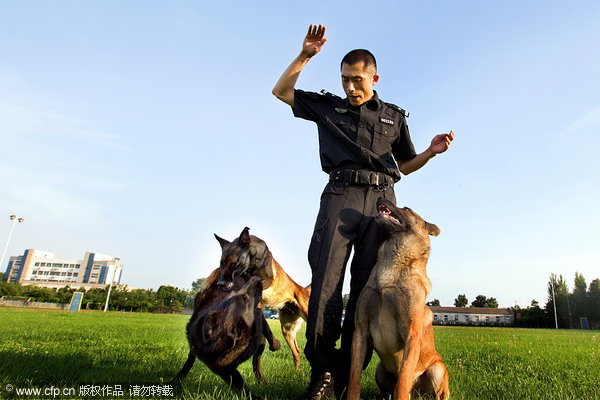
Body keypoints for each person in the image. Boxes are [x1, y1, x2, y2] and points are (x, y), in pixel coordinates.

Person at [272, 24, 454, 400]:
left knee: (368, 288)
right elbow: (282, 92)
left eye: (357, 80)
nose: (351, 88)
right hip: (341, 195)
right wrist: (305, 55)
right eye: (344, 80)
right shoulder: (328, 106)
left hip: (383, 205)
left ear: (374, 77)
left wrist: (430, 153)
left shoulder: (393, 116)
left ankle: (346, 374)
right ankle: (322, 372)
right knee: (325, 283)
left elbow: (403, 165)